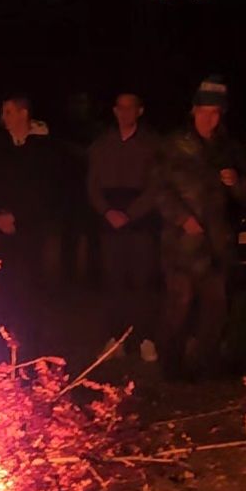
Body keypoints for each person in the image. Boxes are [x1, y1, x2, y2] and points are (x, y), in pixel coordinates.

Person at [153, 76, 246, 379]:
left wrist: (237, 183)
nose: (211, 118)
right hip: (182, 243)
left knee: (216, 306)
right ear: (193, 111)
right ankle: (172, 365)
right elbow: (159, 189)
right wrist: (183, 218)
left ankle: (208, 361)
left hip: (217, 243)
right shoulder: (174, 146)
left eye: (217, 113)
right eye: (206, 111)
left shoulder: (228, 147)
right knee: (179, 305)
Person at [0, 95, 67, 357]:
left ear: (23, 114)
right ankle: (2, 349)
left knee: (30, 292)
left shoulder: (44, 149)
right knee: (1, 290)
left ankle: (31, 351)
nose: (4, 118)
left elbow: (45, 192)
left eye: (9, 112)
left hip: (31, 231)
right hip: (1, 231)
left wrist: (18, 217)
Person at [87, 92, 162, 363]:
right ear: (115, 111)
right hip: (110, 221)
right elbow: (92, 184)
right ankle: (115, 338)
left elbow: (156, 186)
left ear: (140, 111)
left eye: (131, 108)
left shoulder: (152, 144)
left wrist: (131, 214)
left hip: (141, 221)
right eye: (120, 108)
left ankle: (145, 338)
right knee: (113, 281)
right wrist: (107, 211)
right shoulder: (102, 144)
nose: (125, 112)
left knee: (142, 282)